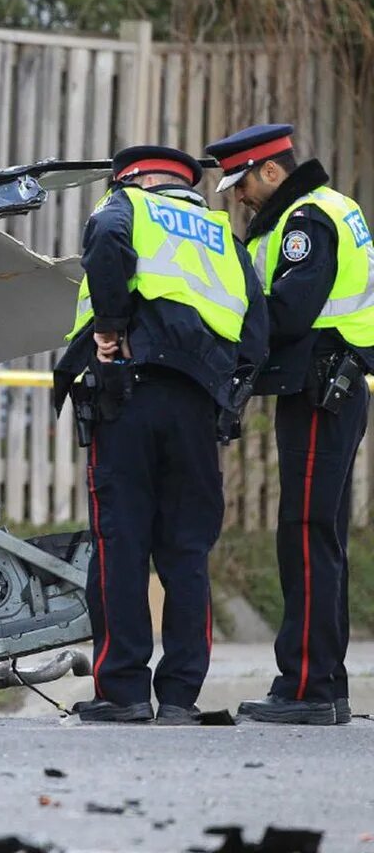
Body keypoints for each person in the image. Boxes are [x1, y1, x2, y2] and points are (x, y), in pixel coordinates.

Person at [54, 145, 269, 724]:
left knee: (122, 544)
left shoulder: (127, 208)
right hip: (198, 407)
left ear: (134, 178)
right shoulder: (222, 234)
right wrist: (228, 394)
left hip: (128, 395)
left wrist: (110, 327)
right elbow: (257, 327)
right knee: (186, 551)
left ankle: (122, 692)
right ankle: (179, 696)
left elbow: (103, 245)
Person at [205, 124, 374, 725]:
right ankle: (324, 684)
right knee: (320, 536)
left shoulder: (304, 222)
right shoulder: (332, 208)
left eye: (242, 183)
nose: (239, 196)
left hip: (320, 385)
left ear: (271, 170)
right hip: (333, 385)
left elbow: (287, 311)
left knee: (304, 533)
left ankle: (306, 687)